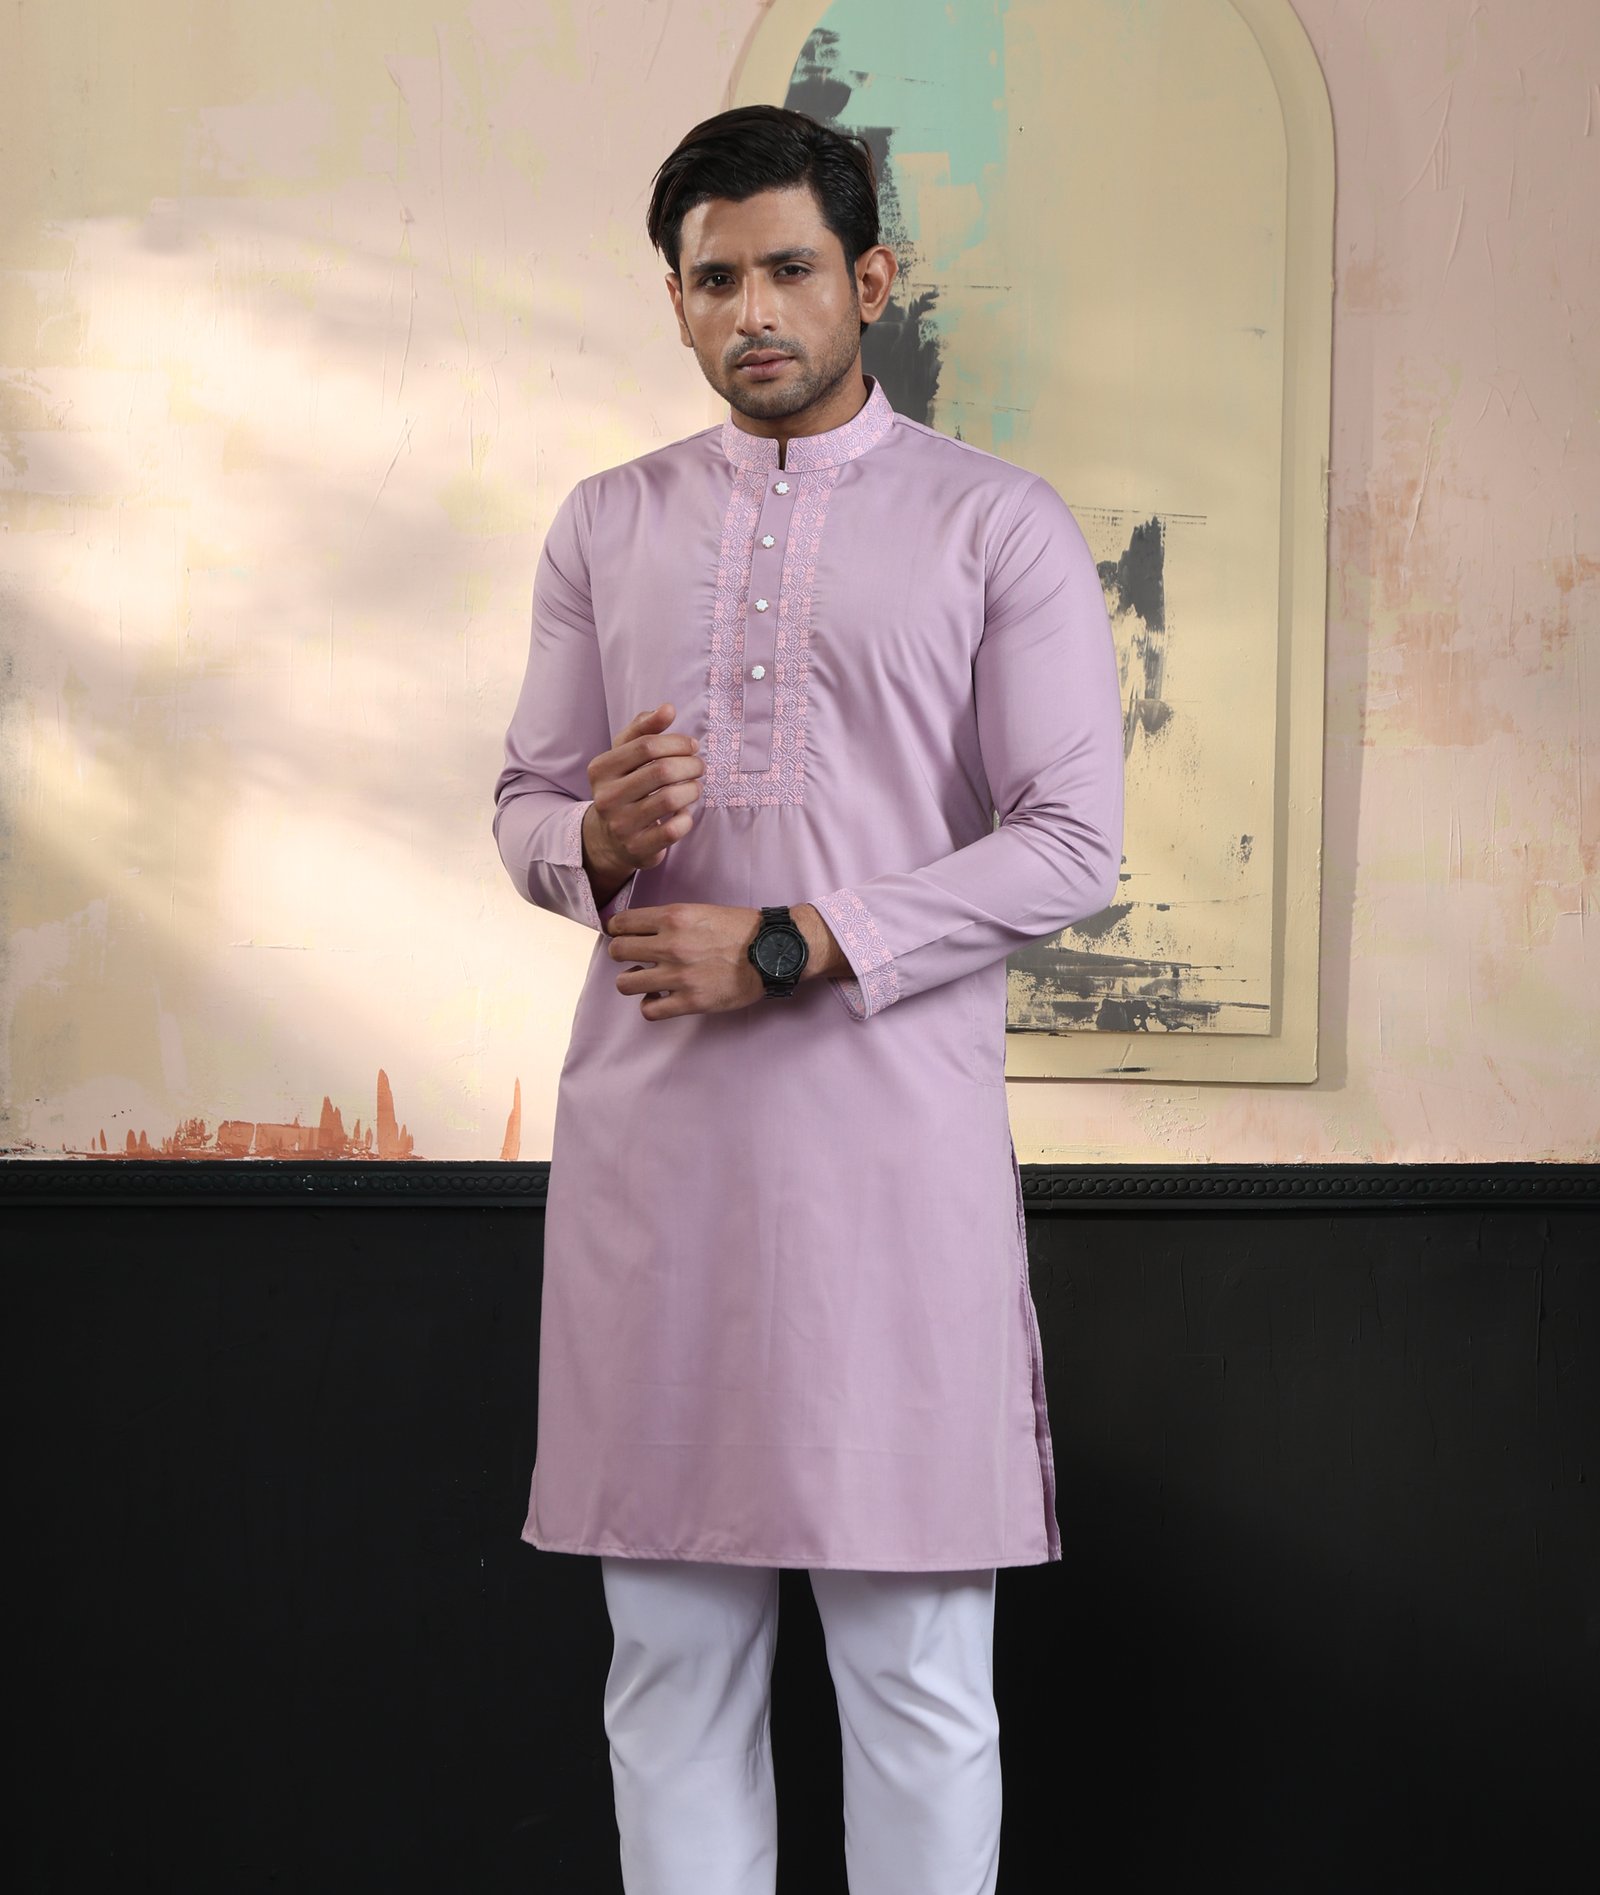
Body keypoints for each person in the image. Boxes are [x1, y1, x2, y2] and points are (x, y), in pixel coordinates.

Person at [493, 103, 1123, 1895]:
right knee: (670, 1670)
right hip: (656, 1170)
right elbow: (525, 804)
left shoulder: (995, 525)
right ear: (676, 302)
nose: (752, 310)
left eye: (788, 269)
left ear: (871, 278)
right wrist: (593, 841)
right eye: (715, 281)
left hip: (890, 1169)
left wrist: (789, 941)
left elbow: (1071, 842)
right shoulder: (608, 524)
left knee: (914, 1675)